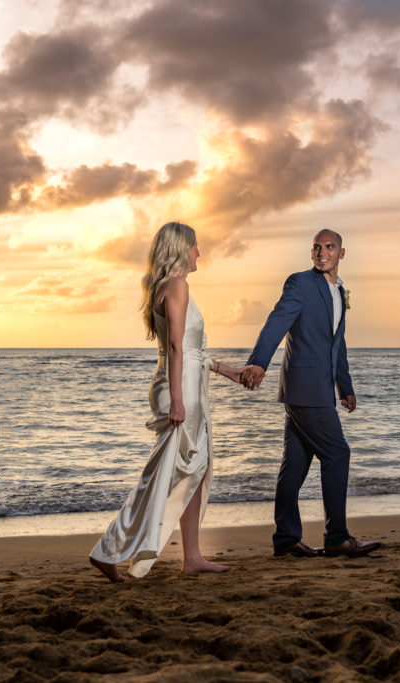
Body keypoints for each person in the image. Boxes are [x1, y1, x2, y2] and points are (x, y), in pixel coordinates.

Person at [89, 221, 245, 582]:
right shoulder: (177, 285)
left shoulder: (167, 286)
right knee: (164, 474)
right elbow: (176, 347)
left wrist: (228, 370)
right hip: (181, 387)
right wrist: (177, 400)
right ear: (180, 249)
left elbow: (189, 350)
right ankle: (108, 550)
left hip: (186, 380)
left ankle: (192, 556)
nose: (199, 252)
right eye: (195, 246)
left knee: (195, 468)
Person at [241, 229, 381, 559]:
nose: (322, 253)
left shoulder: (340, 291)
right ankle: (337, 538)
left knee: (295, 466)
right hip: (305, 389)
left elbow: (337, 343)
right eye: (317, 247)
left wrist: (344, 387)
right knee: (338, 454)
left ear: (341, 253)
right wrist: (258, 363)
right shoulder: (300, 283)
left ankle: (287, 539)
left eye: (329, 247)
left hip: (315, 389)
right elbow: (276, 322)